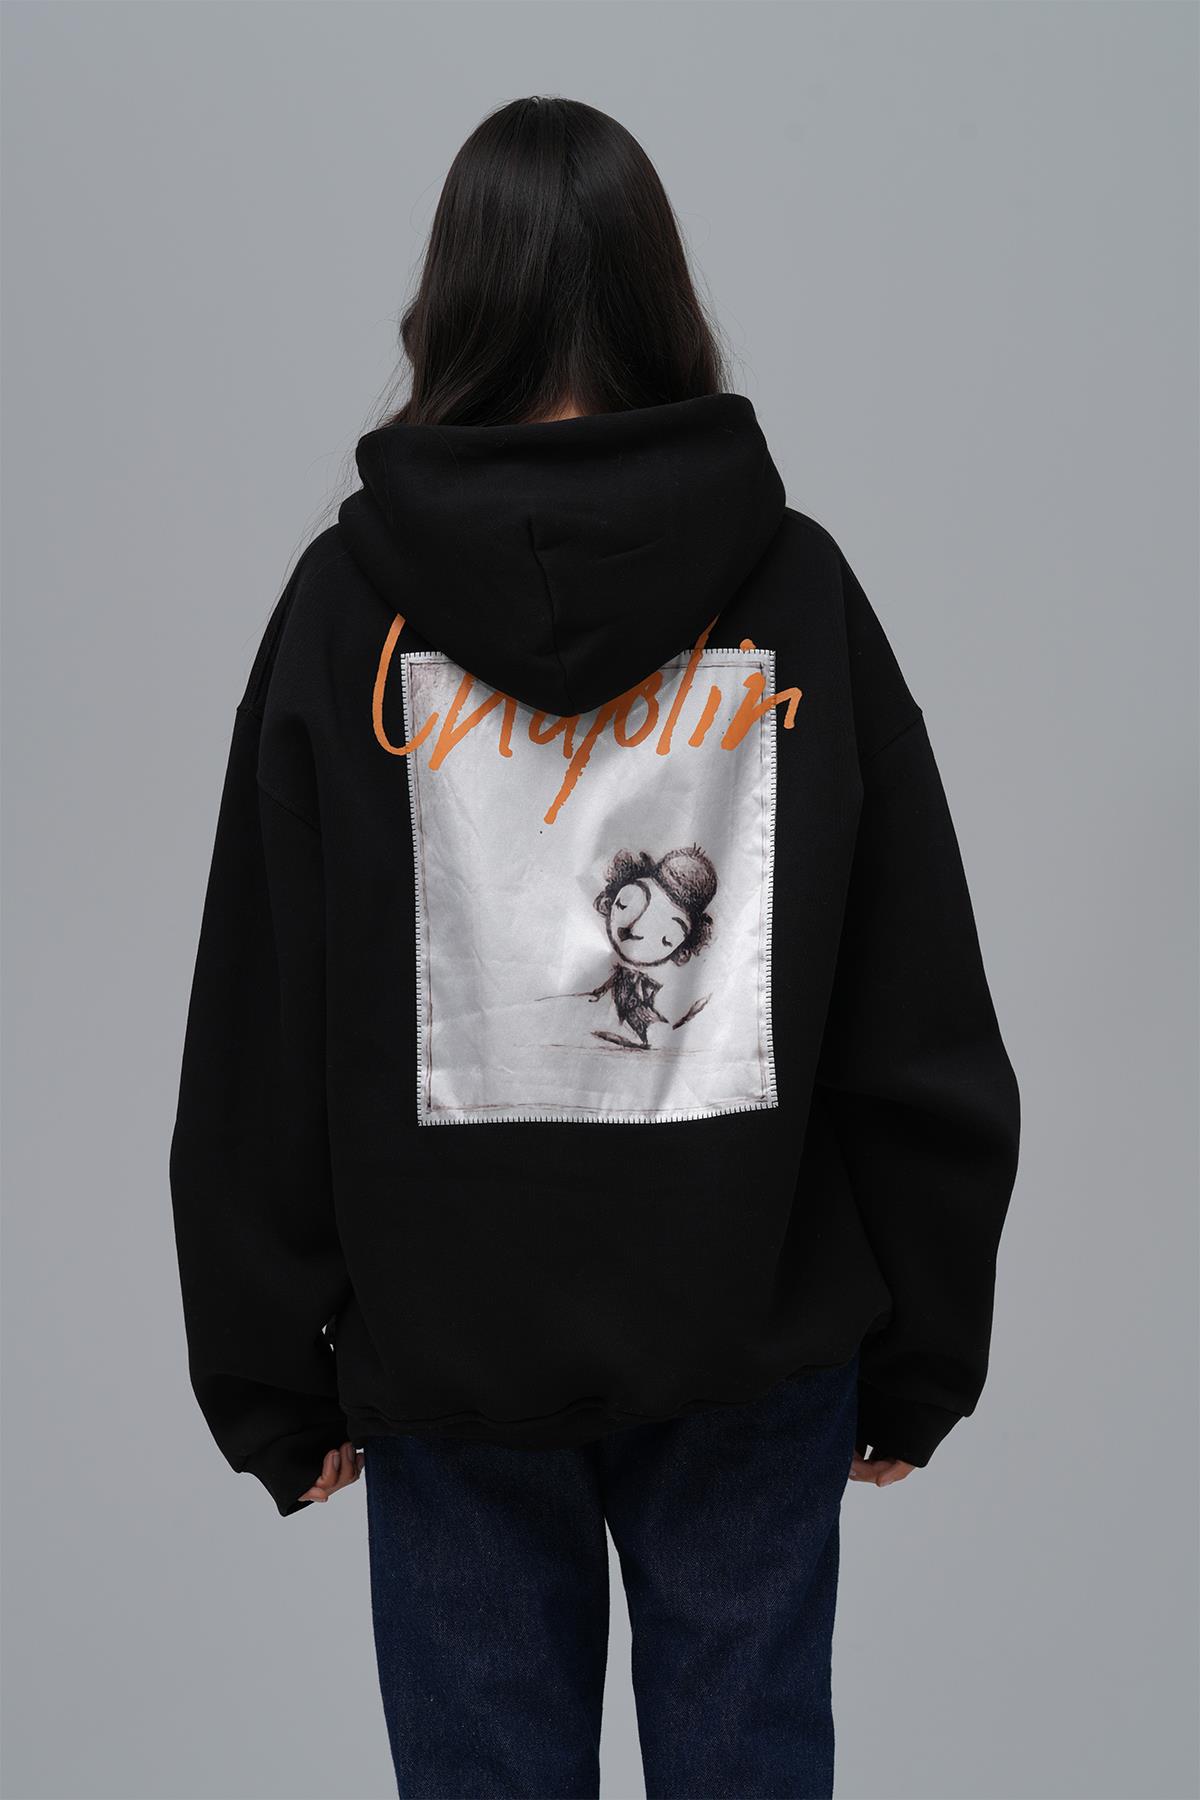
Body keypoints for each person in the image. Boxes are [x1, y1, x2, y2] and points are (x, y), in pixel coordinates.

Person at [169, 95, 1020, 1800]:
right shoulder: (794, 596)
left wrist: (269, 1367)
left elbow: (263, 1012)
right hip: (754, 1335)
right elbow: (914, 996)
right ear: (659, 293)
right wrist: (923, 1345)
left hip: (448, 1347)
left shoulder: (347, 613)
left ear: (451, 301)